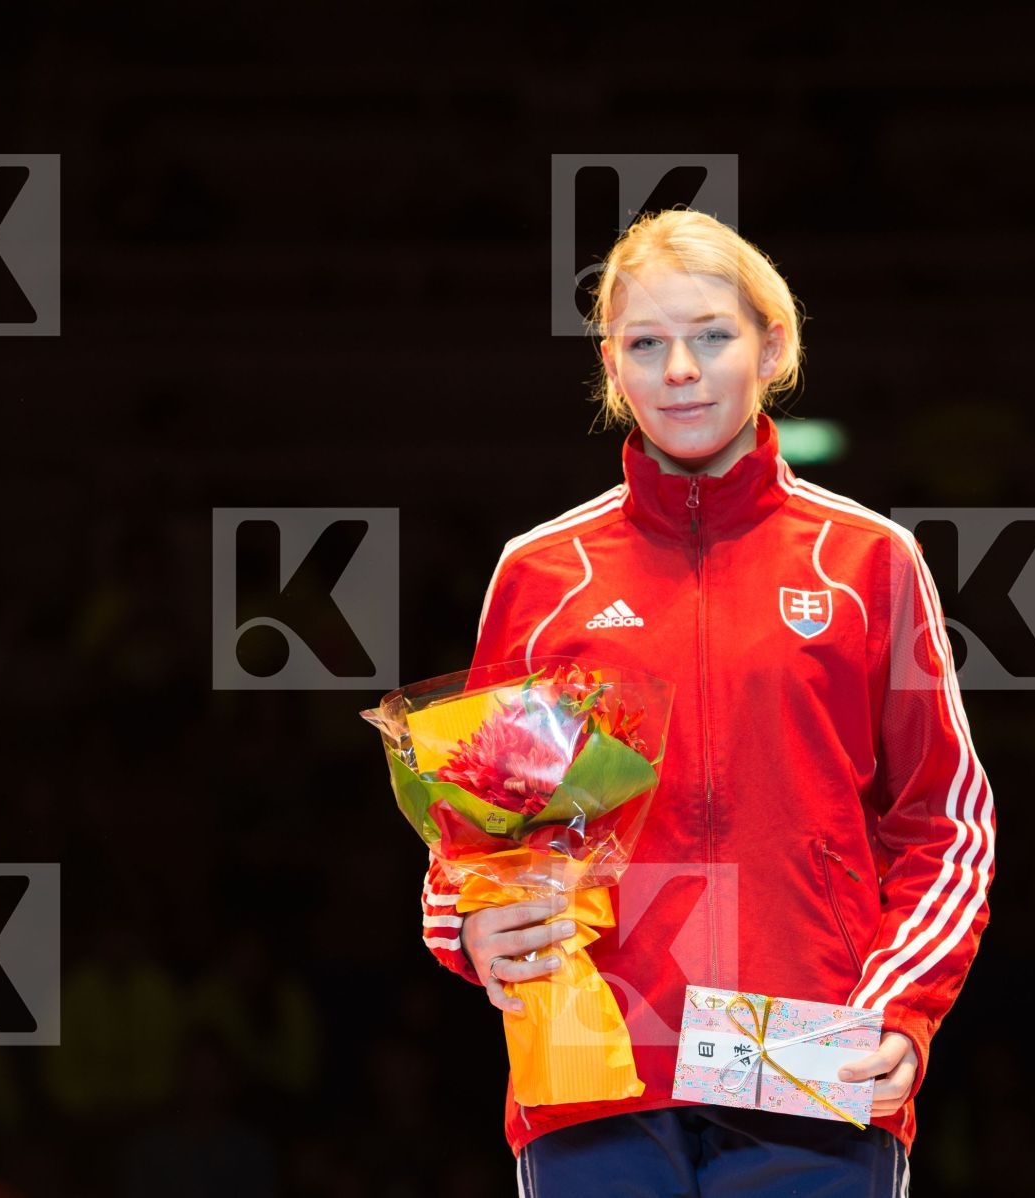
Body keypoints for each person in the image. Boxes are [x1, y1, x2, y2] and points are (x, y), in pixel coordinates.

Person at [418, 208, 995, 1194]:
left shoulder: (867, 563)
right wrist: (466, 926)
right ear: (612, 365)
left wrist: (901, 1008)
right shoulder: (541, 573)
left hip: (810, 1058)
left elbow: (947, 822)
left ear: (772, 346)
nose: (678, 369)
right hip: (594, 1066)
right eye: (646, 343)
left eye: (712, 336)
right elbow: (476, 834)